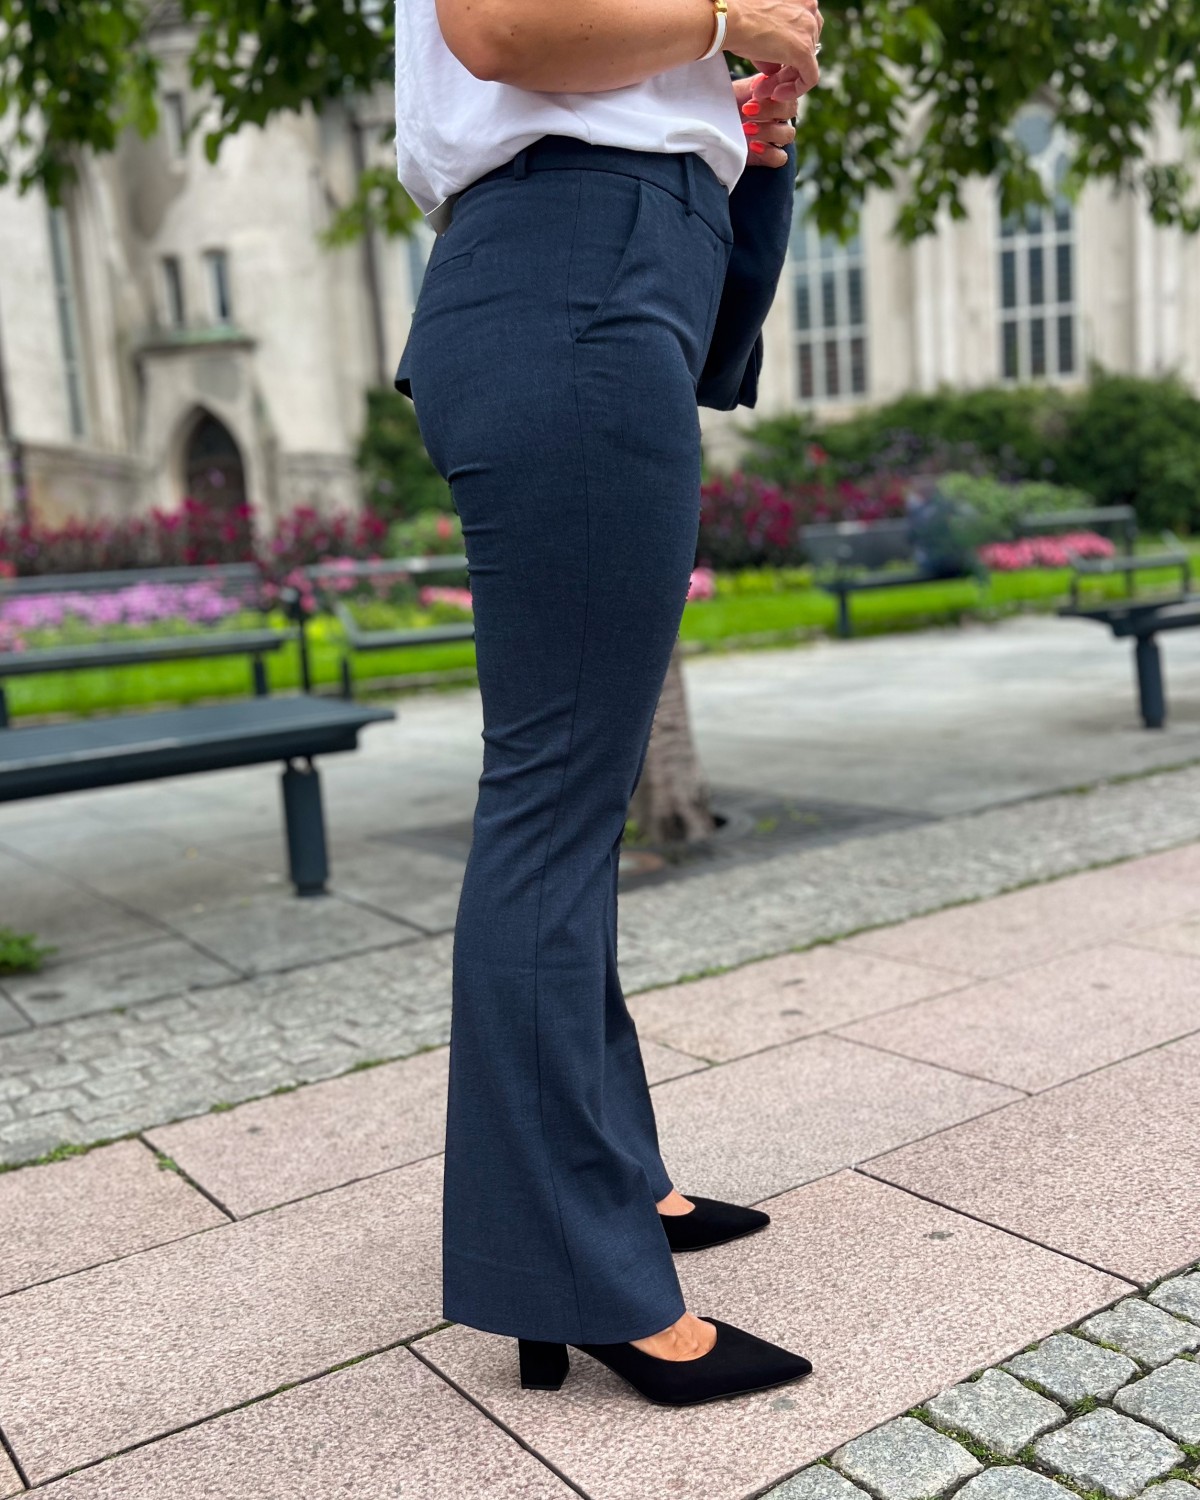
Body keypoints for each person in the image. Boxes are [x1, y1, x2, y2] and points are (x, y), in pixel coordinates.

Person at [394, 0, 822, 1407]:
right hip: (572, 282)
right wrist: (721, 21)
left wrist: (723, 120)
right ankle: (573, 1273)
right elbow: (506, 28)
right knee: (552, 803)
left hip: (581, 277)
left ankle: (615, 1183)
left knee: (570, 800)